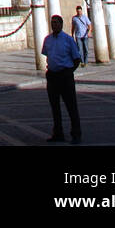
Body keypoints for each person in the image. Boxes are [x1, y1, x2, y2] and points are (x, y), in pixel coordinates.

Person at [42, 14, 82, 143]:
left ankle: (76, 134)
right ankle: (58, 133)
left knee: (71, 106)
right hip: (52, 76)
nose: (54, 25)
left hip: (65, 76)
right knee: (55, 107)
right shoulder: (47, 39)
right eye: (52, 22)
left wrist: (68, 72)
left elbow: (76, 59)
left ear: (61, 24)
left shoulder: (68, 40)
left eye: (56, 22)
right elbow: (46, 55)